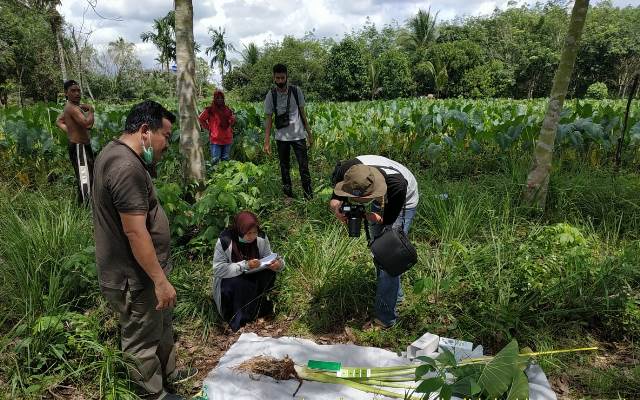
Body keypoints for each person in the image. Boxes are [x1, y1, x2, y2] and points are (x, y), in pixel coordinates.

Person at [92, 100, 196, 400]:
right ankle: (153, 394)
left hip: (146, 274)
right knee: (142, 339)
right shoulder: (126, 167)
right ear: (145, 131)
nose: (167, 144)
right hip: (135, 277)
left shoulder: (116, 155)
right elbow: (135, 232)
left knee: (161, 326)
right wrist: (159, 280)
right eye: (166, 136)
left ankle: (170, 375)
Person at [329, 155, 419, 329]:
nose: (356, 204)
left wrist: (375, 218)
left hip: (401, 200)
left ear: (372, 191)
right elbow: (335, 198)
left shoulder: (397, 185)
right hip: (380, 193)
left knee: (387, 256)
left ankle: (385, 319)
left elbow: (386, 224)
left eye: (360, 201)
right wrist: (336, 208)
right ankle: (395, 295)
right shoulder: (347, 171)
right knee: (377, 250)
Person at [212, 211, 284, 331]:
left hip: (253, 275)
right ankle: (237, 318)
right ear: (240, 230)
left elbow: (270, 256)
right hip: (232, 280)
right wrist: (245, 265)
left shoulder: (261, 238)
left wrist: (278, 265)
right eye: (248, 233)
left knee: (268, 273)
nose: (252, 236)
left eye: (254, 232)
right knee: (238, 283)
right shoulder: (225, 240)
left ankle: (258, 311)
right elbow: (218, 269)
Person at [263, 63, 313, 200]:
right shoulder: (271, 95)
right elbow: (269, 119)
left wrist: (309, 134)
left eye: (282, 78)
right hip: (281, 138)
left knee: (304, 167)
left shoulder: (296, 91)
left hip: (298, 136)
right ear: (273, 78)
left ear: (287, 77)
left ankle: (308, 196)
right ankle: (288, 196)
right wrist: (266, 141)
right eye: (277, 78)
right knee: (284, 167)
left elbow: (303, 114)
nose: (280, 81)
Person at [55, 79, 95, 205]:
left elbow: (59, 121)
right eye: (73, 91)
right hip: (79, 147)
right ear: (66, 93)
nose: (77, 93)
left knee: (87, 174)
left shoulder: (72, 107)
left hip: (80, 145)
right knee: (85, 178)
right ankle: (85, 208)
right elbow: (87, 124)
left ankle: (85, 203)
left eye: (78, 91)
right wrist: (91, 111)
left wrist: (70, 131)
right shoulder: (72, 108)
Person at [198, 90, 236, 165]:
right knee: (215, 161)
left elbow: (231, 122)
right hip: (216, 140)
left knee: (225, 161)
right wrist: (209, 128)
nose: (219, 100)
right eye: (217, 98)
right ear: (214, 99)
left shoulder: (227, 109)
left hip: (227, 139)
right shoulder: (210, 110)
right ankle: (215, 176)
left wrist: (233, 119)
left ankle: (224, 176)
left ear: (223, 99)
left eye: (221, 98)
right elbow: (201, 119)